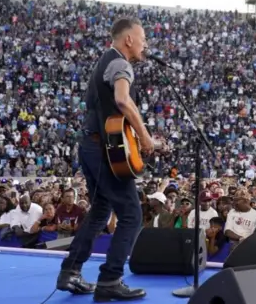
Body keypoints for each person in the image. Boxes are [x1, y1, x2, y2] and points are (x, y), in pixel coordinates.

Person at [56, 17, 154, 302]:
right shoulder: (121, 64)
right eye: (143, 38)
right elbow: (123, 101)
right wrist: (145, 136)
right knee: (132, 214)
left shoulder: (104, 61)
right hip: (103, 152)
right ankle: (110, 279)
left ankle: (70, 272)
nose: (145, 44)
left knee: (100, 210)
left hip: (91, 146)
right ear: (128, 40)